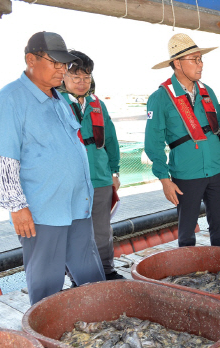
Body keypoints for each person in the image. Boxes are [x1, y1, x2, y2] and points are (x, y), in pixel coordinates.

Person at [0, 32, 105, 305]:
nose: (62, 69)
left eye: (64, 64)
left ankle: (100, 326)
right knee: (46, 284)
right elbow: (5, 159)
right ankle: (45, 339)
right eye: (55, 62)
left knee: (91, 276)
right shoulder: (10, 98)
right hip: (43, 211)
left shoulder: (59, 99)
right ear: (31, 59)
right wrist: (16, 206)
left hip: (77, 205)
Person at [145, 34, 220, 248]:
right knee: (186, 232)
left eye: (201, 59)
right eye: (194, 59)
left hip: (216, 169)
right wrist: (164, 180)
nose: (200, 64)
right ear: (177, 63)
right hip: (186, 173)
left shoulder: (207, 91)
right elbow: (153, 143)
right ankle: (186, 277)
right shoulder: (160, 97)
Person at [58, 50, 124, 282]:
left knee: (103, 231)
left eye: (86, 77)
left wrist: (115, 170)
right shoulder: (55, 103)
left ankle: (107, 271)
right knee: (73, 232)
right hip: (71, 182)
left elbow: (112, 140)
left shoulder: (98, 105)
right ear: (63, 76)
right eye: (75, 77)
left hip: (101, 179)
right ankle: (77, 278)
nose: (81, 82)